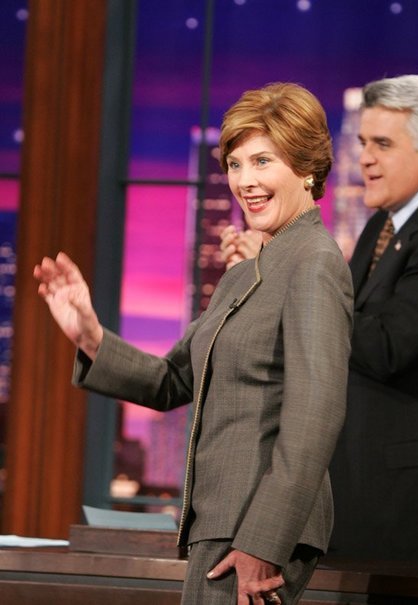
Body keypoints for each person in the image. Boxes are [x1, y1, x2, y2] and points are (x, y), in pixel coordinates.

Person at [34, 82, 353, 604]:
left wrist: (263, 542)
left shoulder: (313, 261)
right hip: (222, 523)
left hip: (254, 531)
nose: (245, 181)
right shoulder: (245, 272)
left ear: (306, 168)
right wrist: (88, 334)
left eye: (263, 161)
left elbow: (316, 412)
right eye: (235, 164)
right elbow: (173, 380)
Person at [220, 74, 418, 566]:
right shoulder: (384, 224)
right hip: (370, 488)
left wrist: (287, 276)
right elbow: (334, 322)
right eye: (363, 142)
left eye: (383, 144)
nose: (366, 157)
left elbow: (383, 346)